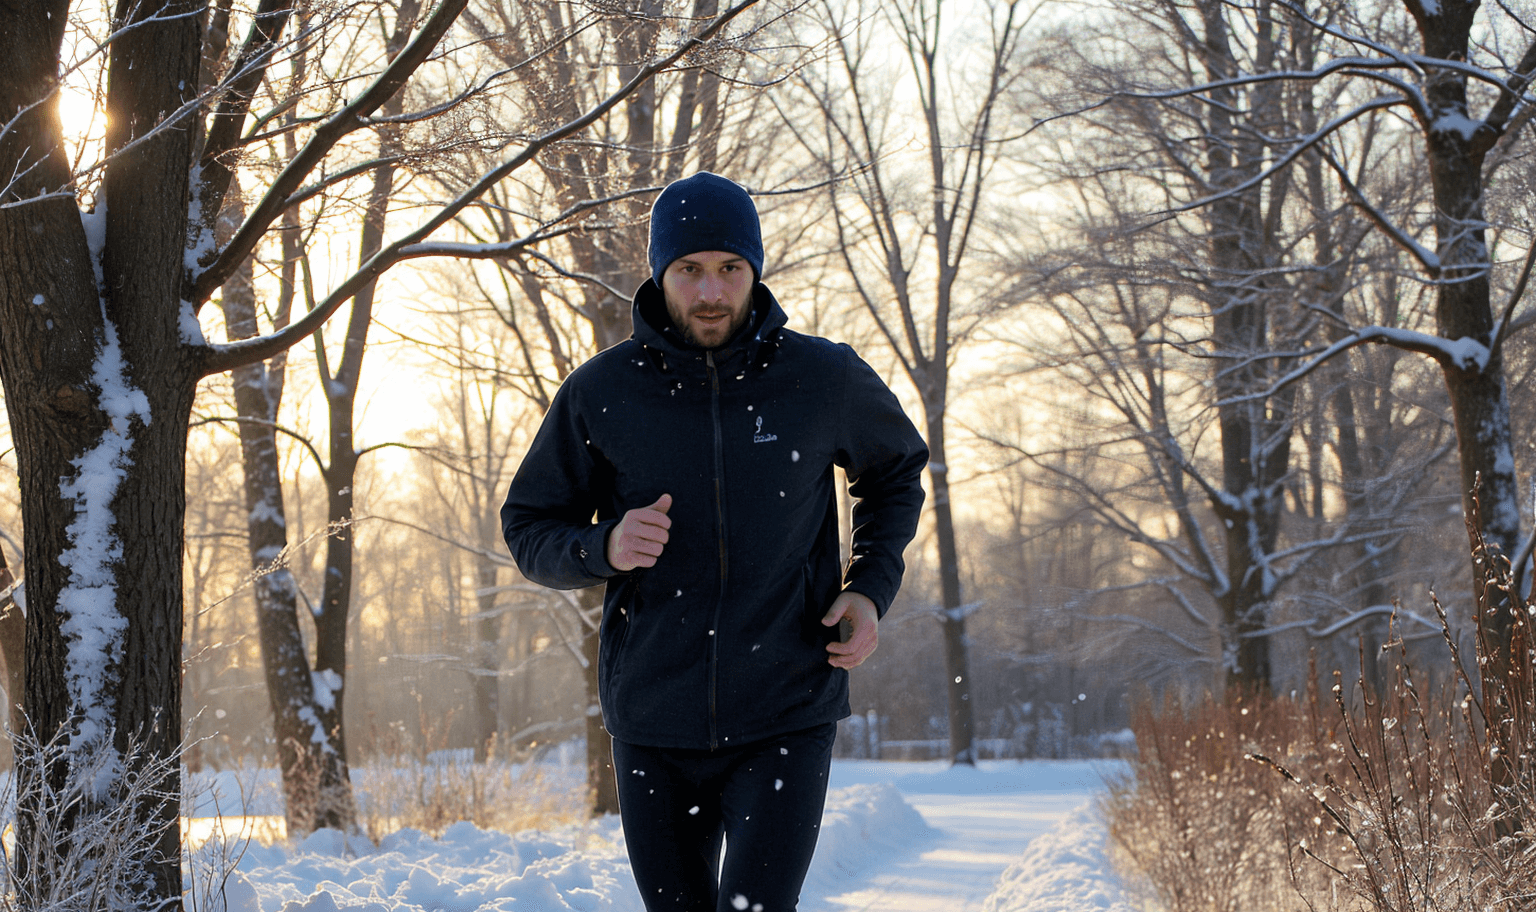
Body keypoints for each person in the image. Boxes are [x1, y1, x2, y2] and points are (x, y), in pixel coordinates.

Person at [501, 172, 927, 912]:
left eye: (730, 269)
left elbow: (896, 472)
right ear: (660, 274)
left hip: (786, 708)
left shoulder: (819, 378)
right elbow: (529, 525)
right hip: (651, 720)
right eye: (689, 270)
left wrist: (868, 587)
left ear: (754, 271)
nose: (711, 292)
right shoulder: (603, 392)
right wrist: (603, 547)